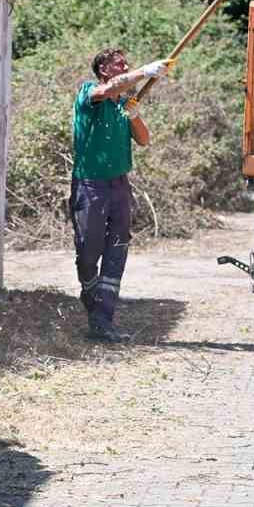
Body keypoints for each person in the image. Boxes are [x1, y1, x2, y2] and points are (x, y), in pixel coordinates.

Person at [70, 48, 170, 342]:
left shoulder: (124, 103)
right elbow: (111, 87)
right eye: (119, 64)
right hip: (90, 185)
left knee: (117, 248)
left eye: (128, 63)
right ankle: (90, 294)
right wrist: (144, 72)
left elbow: (144, 140)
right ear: (103, 69)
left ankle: (103, 320)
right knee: (88, 249)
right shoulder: (90, 93)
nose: (126, 66)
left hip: (119, 185)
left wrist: (135, 116)